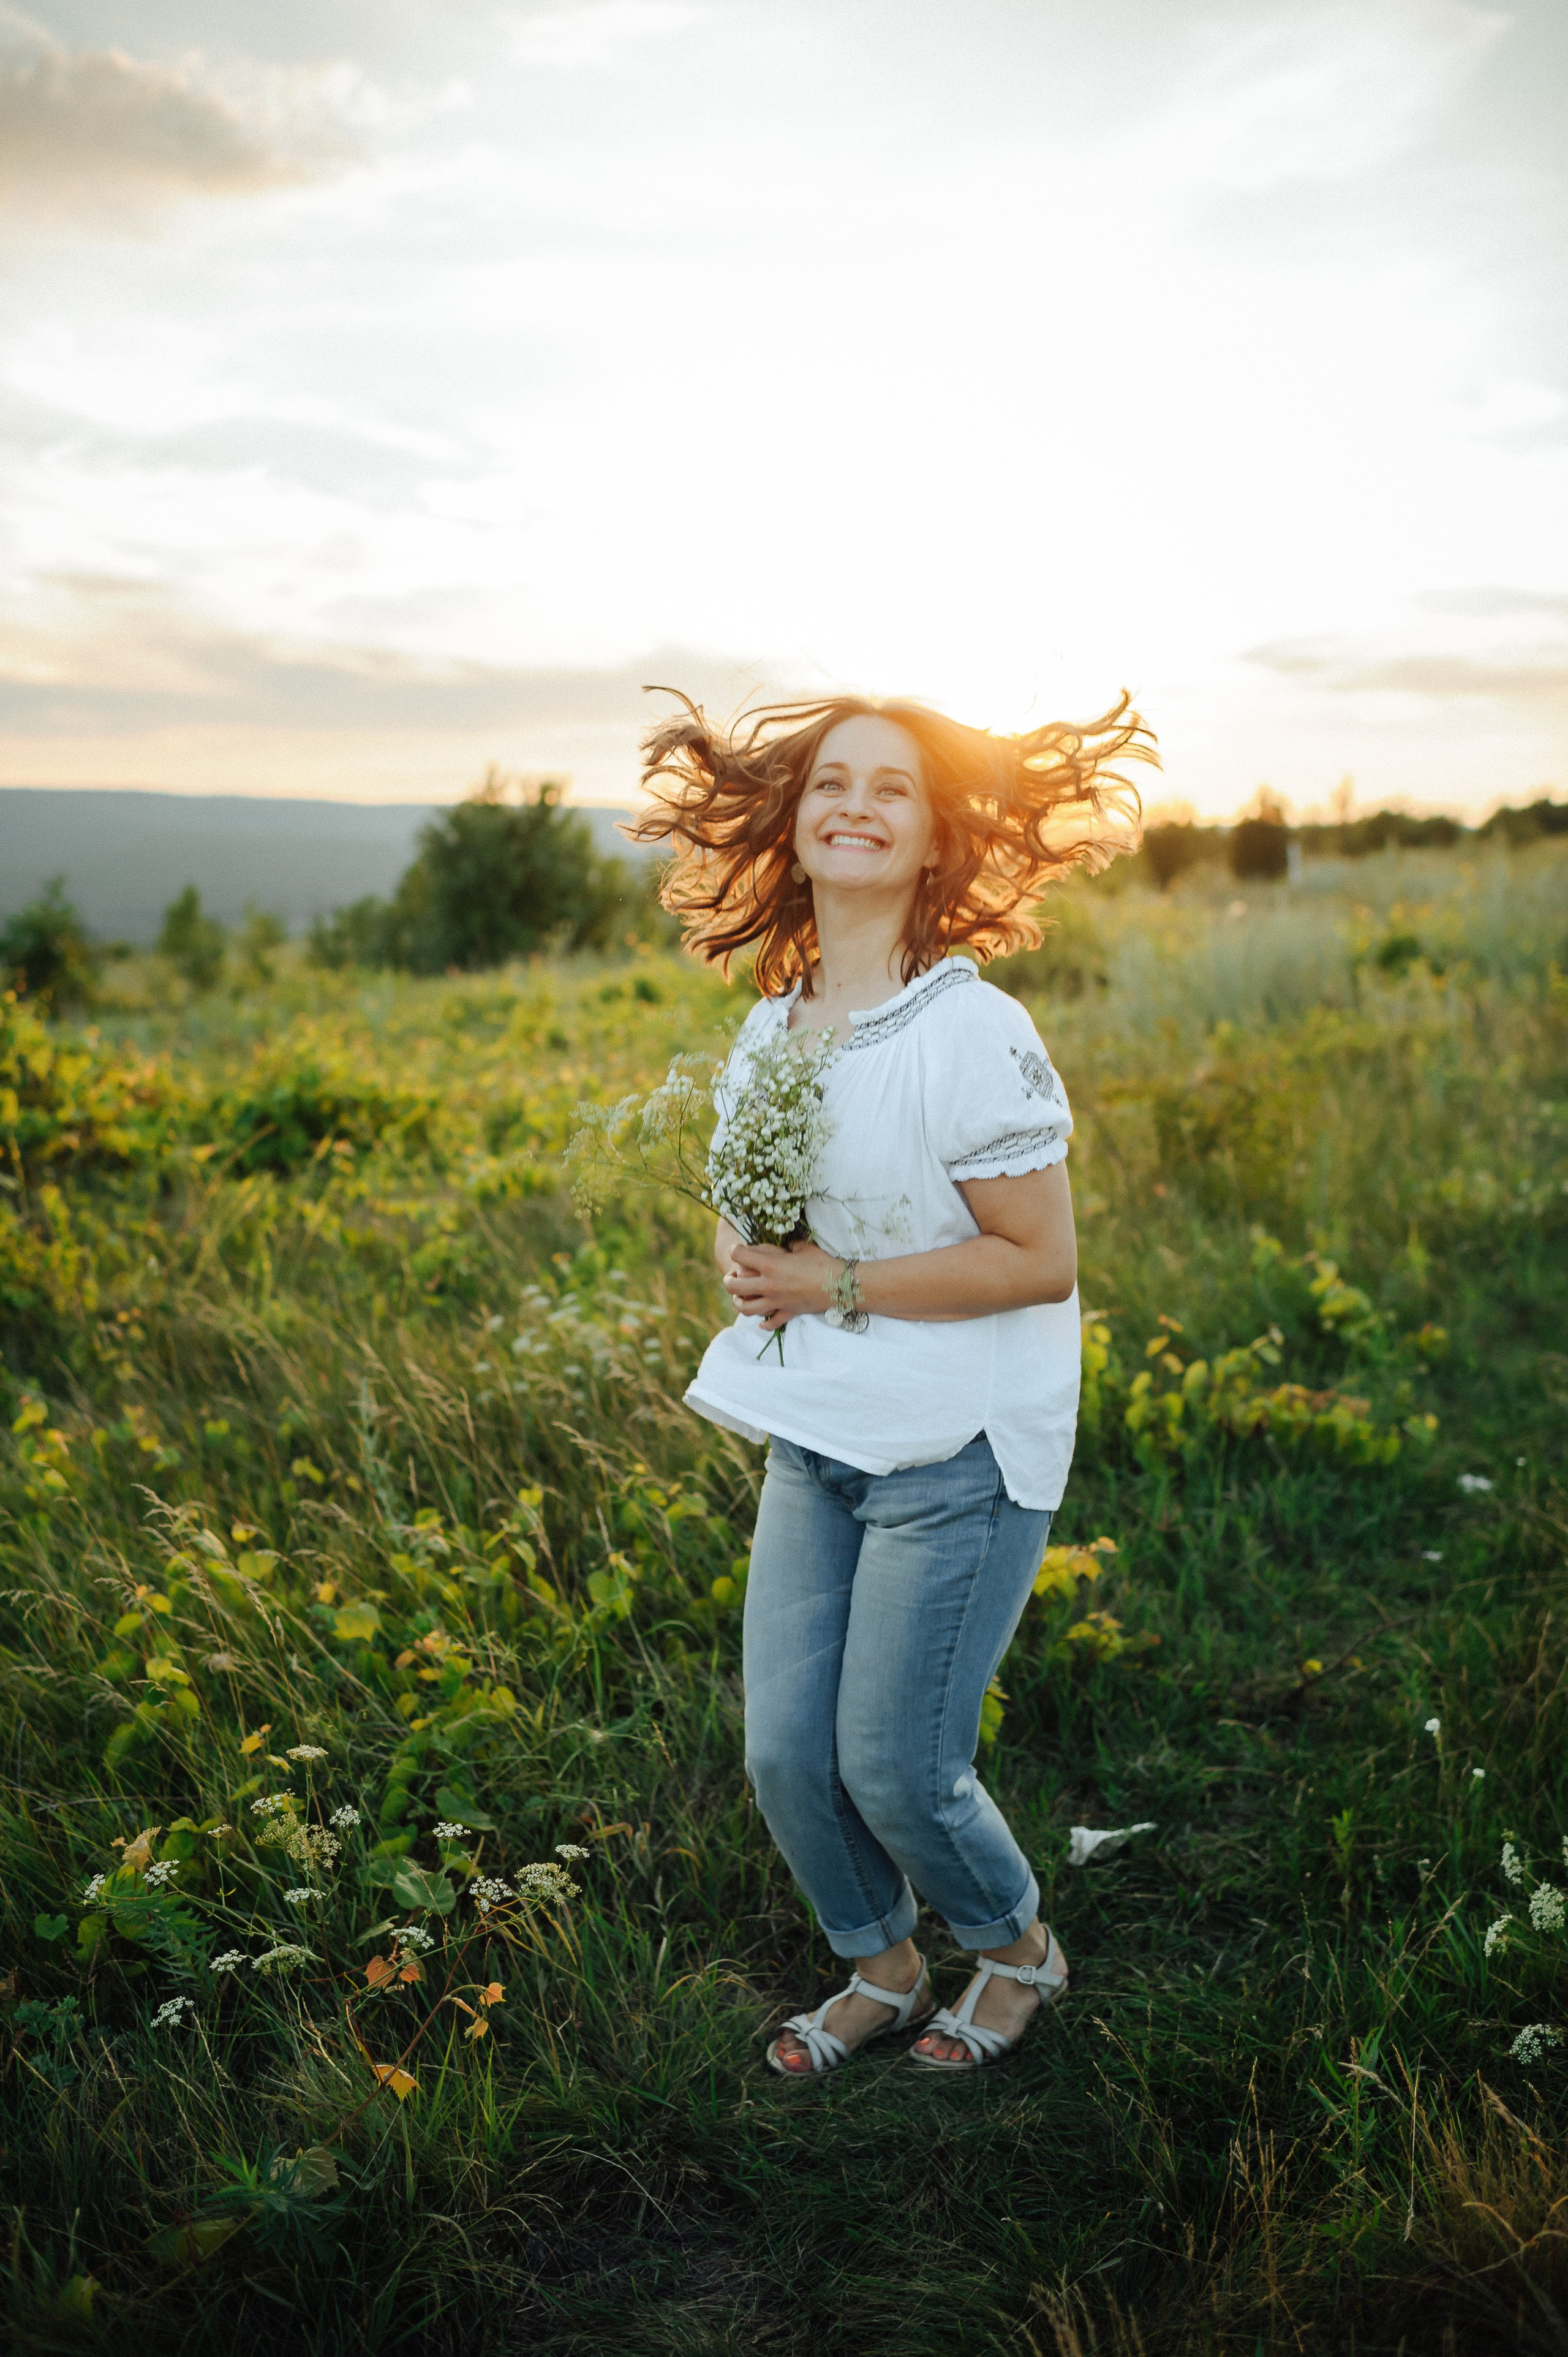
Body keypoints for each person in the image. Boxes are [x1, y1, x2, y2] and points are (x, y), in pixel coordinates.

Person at [630, 687, 1153, 2073]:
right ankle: (886, 1965)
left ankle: (1017, 1950)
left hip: (957, 1446)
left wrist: (833, 1284)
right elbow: (744, 1214)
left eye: (891, 789)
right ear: (793, 822)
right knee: (786, 1758)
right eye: (831, 783)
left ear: (931, 839)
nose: (854, 806)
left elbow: (1038, 1258)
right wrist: (748, 1256)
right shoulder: (771, 1026)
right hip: (822, 1434)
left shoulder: (968, 1032)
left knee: (897, 1765)